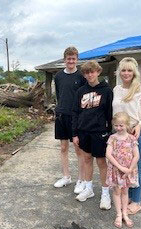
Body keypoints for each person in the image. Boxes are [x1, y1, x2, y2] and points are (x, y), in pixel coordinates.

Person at [113, 57, 141, 215]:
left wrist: (139, 125)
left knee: (134, 168)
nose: (126, 73)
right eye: (123, 70)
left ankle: (137, 201)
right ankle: (128, 196)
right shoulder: (116, 90)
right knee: (122, 168)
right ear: (119, 72)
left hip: (134, 135)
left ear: (134, 72)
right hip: (118, 135)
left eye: (129, 70)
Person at [72, 60, 112, 210]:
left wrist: (109, 133)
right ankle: (89, 189)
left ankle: (105, 194)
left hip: (100, 132)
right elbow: (75, 113)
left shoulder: (106, 90)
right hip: (83, 132)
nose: (90, 74)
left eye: (92, 71)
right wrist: (75, 133)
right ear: (84, 74)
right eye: (87, 72)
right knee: (87, 159)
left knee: (101, 162)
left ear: (98, 72)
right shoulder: (80, 91)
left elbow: (109, 113)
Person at [53, 46, 87, 194]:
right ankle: (66, 176)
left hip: (75, 117)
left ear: (77, 60)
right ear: (64, 60)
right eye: (68, 59)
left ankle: (81, 179)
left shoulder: (81, 77)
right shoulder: (58, 76)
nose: (71, 61)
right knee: (63, 148)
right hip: (61, 115)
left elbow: (83, 97)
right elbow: (59, 95)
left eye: (73, 59)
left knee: (78, 149)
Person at [106, 112, 139, 228]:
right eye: (116, 125)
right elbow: (108, 154)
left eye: (121, 125)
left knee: (125, 192)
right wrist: (120, 168)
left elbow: (136, 156)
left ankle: (125, 213)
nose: (118, 128)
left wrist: (129, 170)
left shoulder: (131, 138)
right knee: (116, 191)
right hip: (116, 170)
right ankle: (118, 214)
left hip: (128, 171)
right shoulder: (112, 138)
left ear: (127, 125)